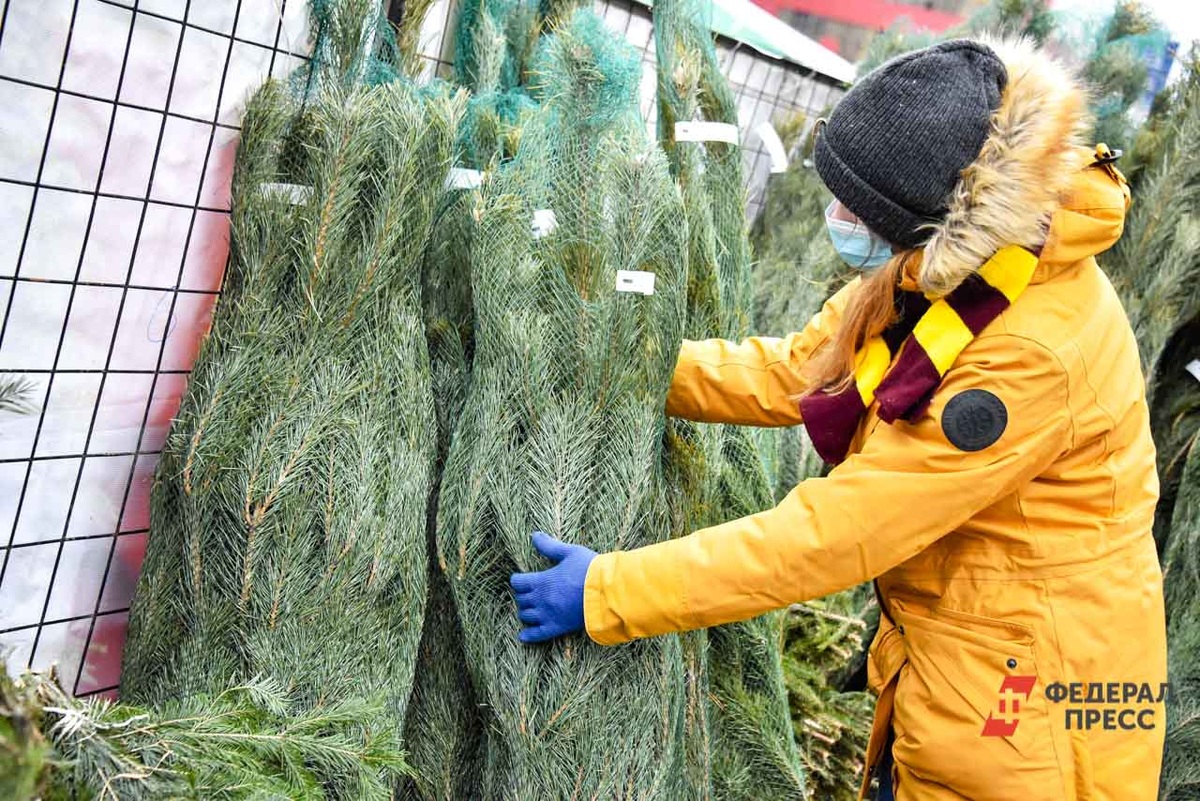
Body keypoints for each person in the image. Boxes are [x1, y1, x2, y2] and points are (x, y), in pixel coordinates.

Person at [509, 37, 1167, 801]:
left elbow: (830, 535)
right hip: (958, 662)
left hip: (1026, 718)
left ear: (926, 217)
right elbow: (803, 367)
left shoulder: (1026, 355)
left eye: (855, 209)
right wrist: (626, 364)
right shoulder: (954, 265)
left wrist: (608, 590)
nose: (836, 218)